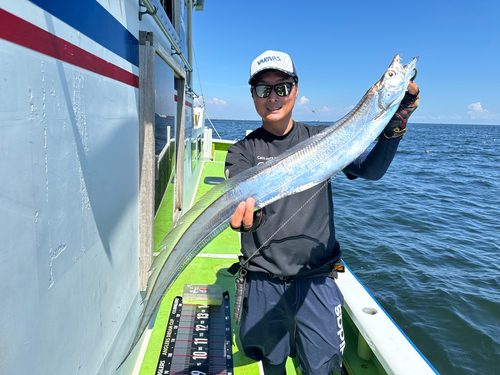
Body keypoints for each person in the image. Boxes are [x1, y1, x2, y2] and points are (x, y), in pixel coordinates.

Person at [225, 50, 419, 375]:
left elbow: (371, 170)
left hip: (316, 280)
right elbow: (242, 202)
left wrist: (397, 121)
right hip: (262, 282)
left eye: (282, 87)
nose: (273, 97)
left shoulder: (323, 139)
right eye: (263, 89)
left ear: (296, 89)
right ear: (253, 95)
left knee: (322, 368)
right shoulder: (242, 151)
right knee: (271, 365)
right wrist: (252, 217)